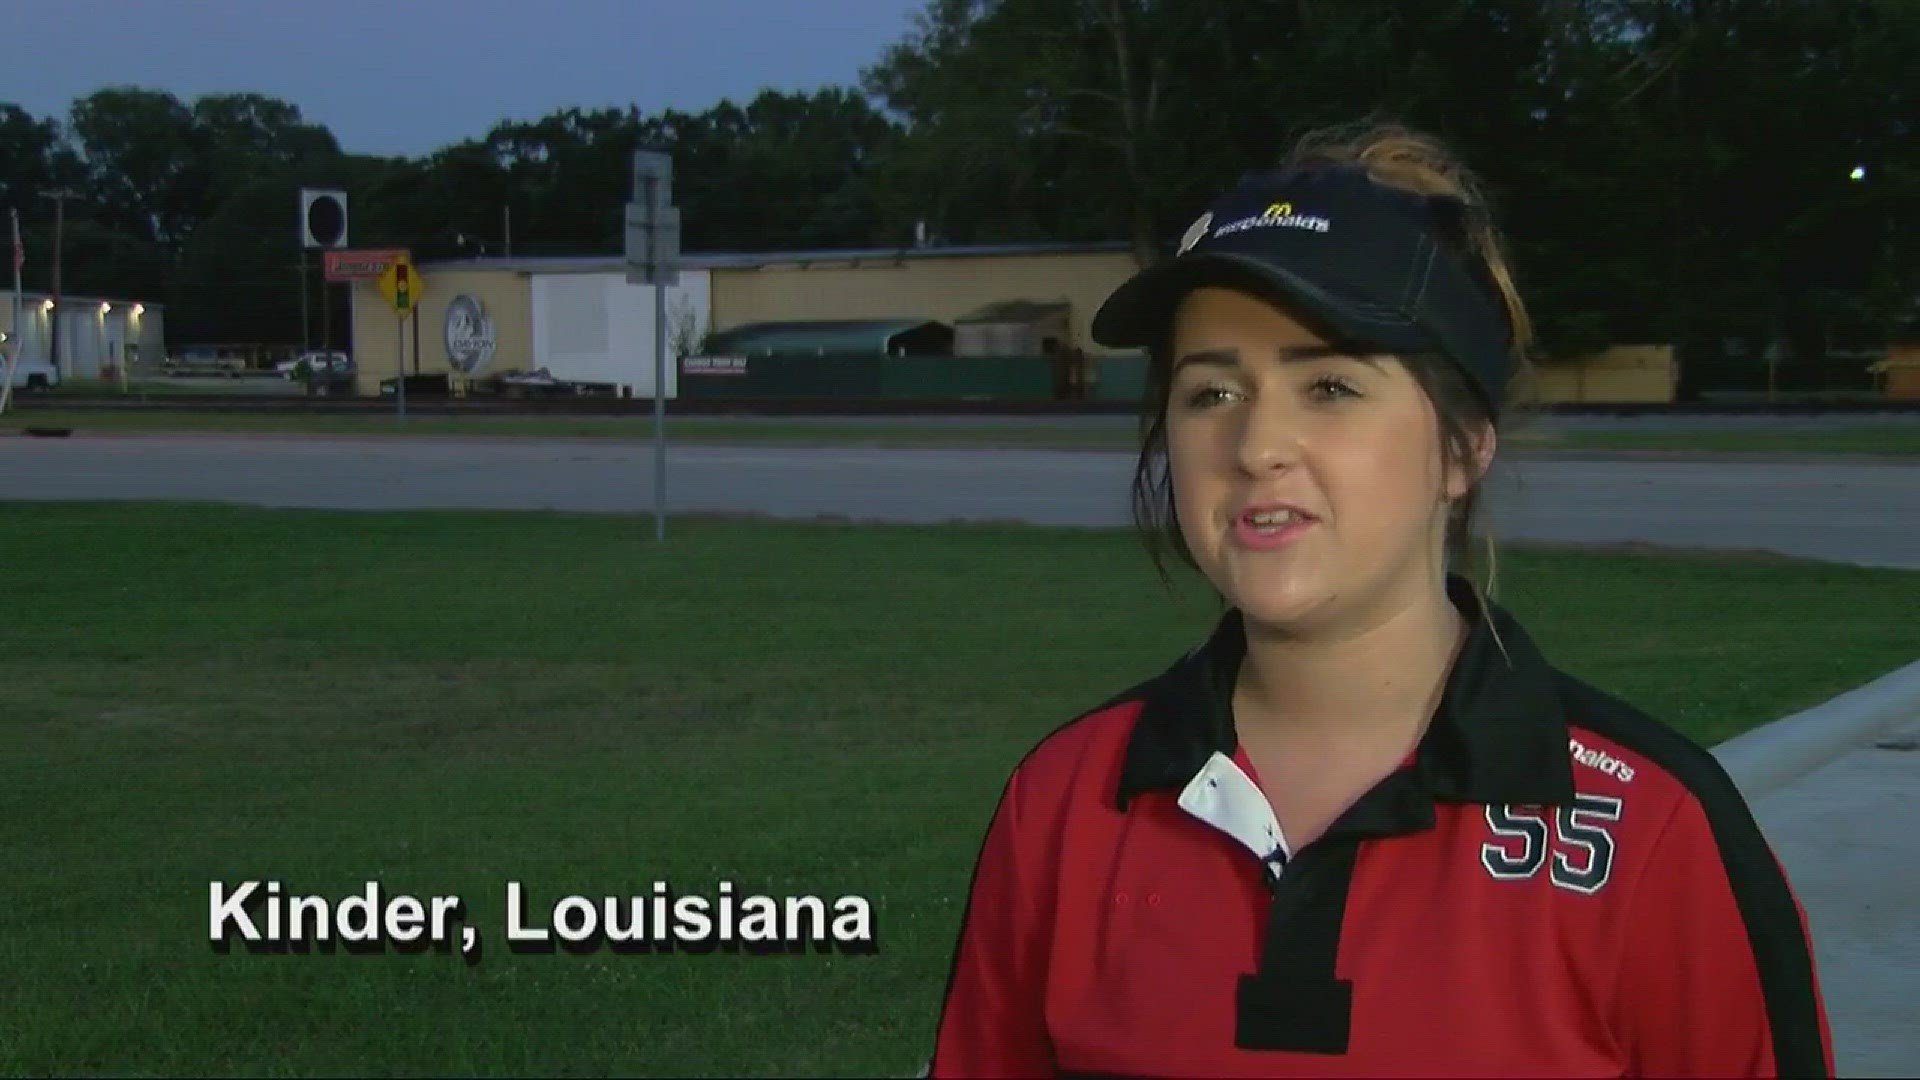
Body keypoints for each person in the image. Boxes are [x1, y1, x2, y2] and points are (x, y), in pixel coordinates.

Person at [927, 121, 1834, 1078]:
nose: (1257, 447)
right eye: (1211, 394)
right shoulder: (1064, 802)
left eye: (1329, 385)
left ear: (1463, 446)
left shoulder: (1656, 833)